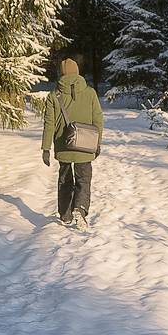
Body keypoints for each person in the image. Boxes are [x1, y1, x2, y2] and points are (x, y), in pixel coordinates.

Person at [41, 57, 104, 229]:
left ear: (61, 74)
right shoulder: (90, 92)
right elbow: (98, 119)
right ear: (77, 72)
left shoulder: (54, 95)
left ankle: (66, 214)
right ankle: (80, 208)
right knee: (84, 179)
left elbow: (49, 123)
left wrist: (46, 148)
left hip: (64, 146)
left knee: (65, 179)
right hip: (86, 144)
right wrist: (97, 142)